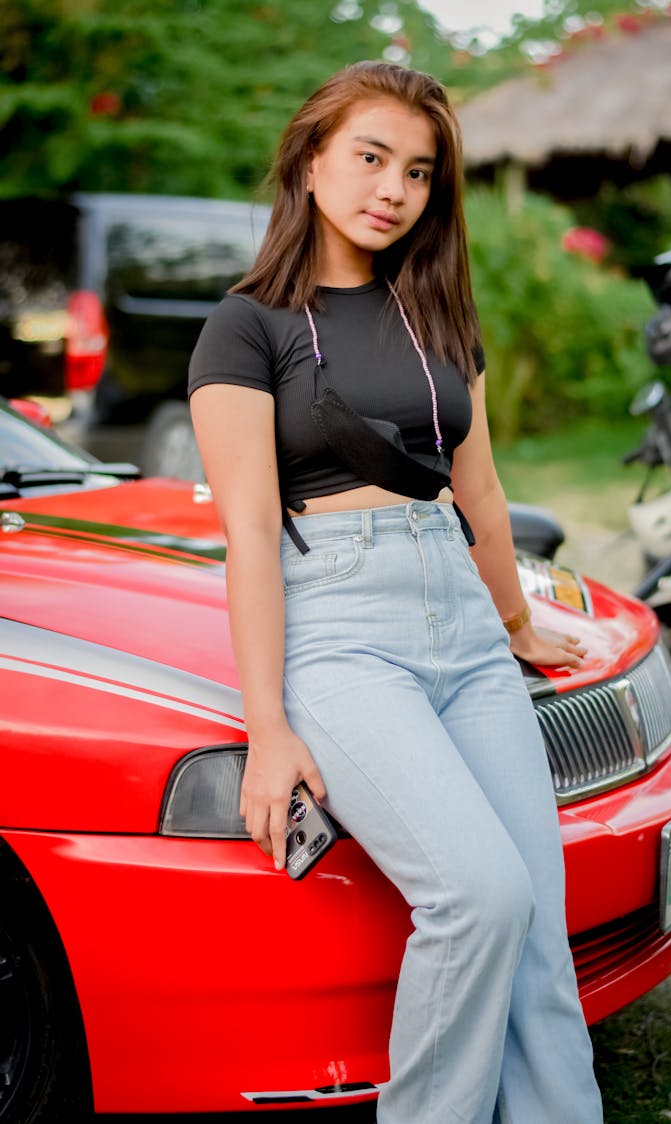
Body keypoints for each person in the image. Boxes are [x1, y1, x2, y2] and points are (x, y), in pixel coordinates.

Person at [188, 60, 603, 1124]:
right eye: (371, 157)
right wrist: (268, 721)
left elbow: (484, 493)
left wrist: (517, 622)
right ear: (312, 157)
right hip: (343, 630)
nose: (394, 189)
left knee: (538, 932)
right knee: (478, 895)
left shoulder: (435, 313)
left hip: (462, 624)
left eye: (418, 171)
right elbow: (247, 533)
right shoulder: (247, 328)